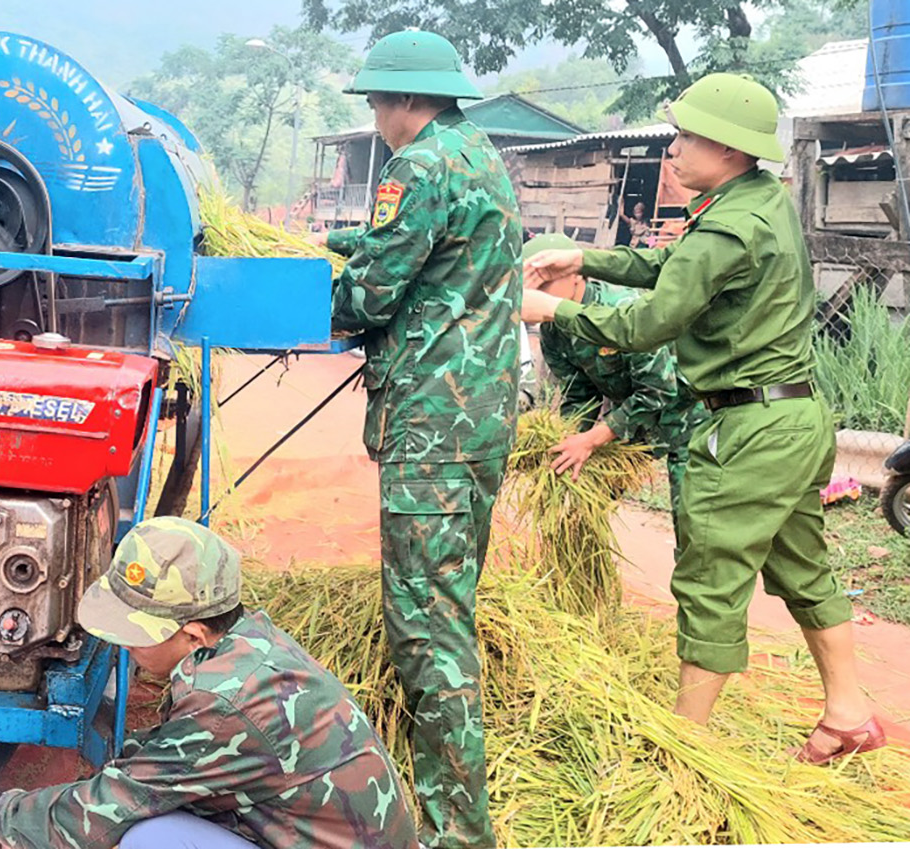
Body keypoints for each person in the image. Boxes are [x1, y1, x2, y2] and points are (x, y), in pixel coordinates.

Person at [521, 73, 884, 762]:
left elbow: (649, 324)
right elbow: (674, 264)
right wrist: (585, 256)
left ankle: (683, 753)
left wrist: (555, 309)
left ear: (728, 148)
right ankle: (848, 714)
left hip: (749, 429)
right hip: (797, 418)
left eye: (686, 137)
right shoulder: (758, 201)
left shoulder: (729, 225)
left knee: (709, 578)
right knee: (802, 568)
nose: (674, 150)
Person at [309, 29, 521, 849]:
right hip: (479, 418)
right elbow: (436, 262)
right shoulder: (479, 155)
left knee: (428, 630)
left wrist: (309, 292)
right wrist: (357, 246)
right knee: (448, 608)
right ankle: (452, 800)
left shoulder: (419, 166)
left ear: (404, 100)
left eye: (375, 104)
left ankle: (458, 830)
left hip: (433, 424)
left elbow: (370, 296)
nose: (375, 118)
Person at [0, 516, 416, 849]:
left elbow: (113, 806)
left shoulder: (222, 704)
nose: (126, 647)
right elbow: (158, 767)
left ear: (194, 633)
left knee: (150, 840)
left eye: (137, 635)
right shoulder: (247, 643)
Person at [523, 231, 707, 529]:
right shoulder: (553, 330)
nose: (536, 294)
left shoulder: (620, 307)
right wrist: (566, 442)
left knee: (693, 525)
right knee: (583, 507)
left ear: (575, 274)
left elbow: (658, 390)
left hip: (685, 418)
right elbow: (579, 395)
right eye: (529, 286)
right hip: (634, 421)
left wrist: (591, 440)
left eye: (545, 283)